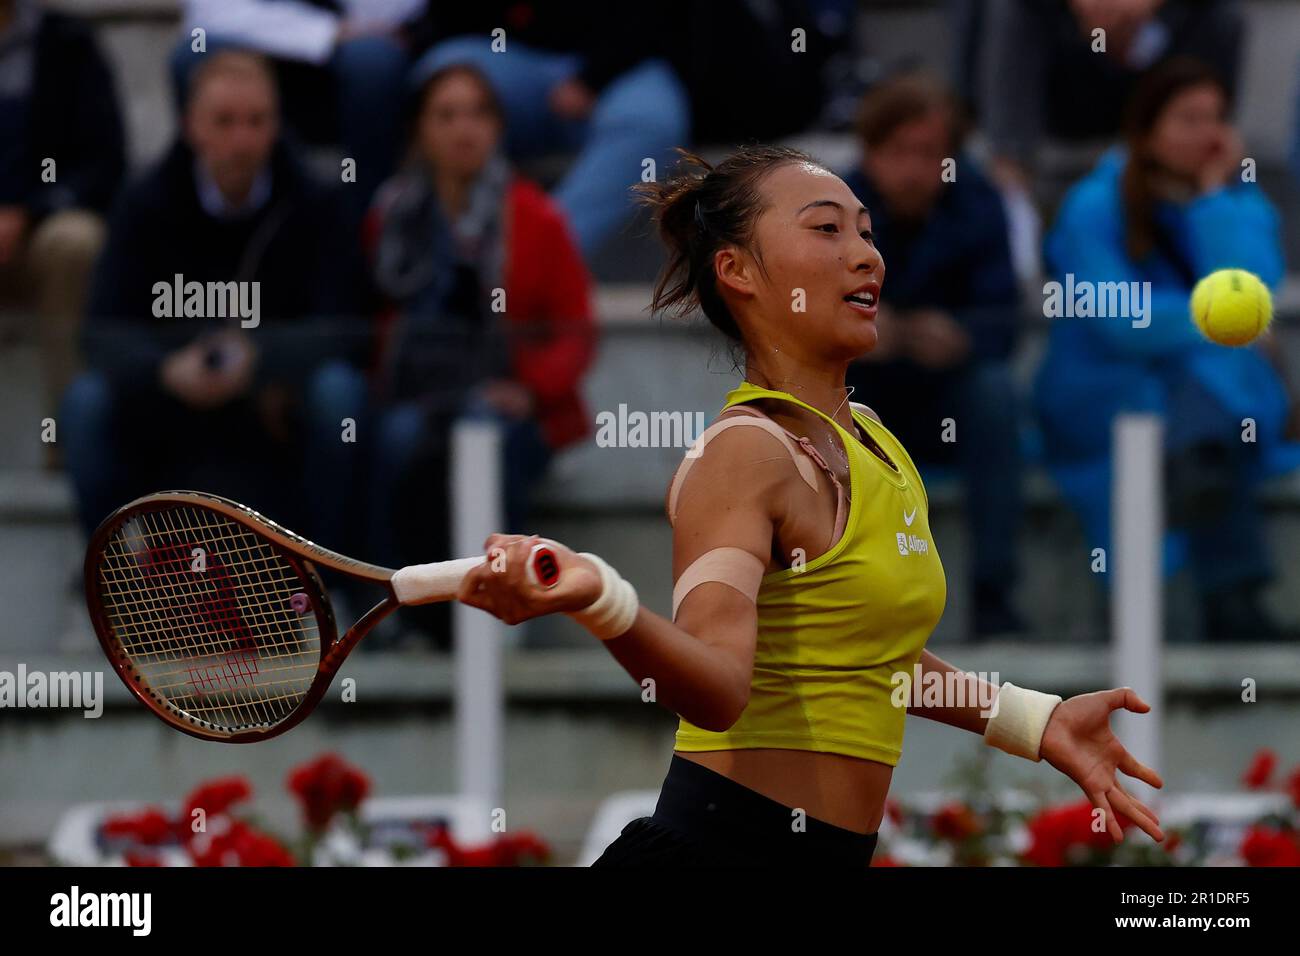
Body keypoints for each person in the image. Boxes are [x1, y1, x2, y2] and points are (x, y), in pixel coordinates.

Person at [451, 145, 1165, 867]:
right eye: (827, 230)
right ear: (738, 271)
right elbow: (717, 687)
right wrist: (602, 598)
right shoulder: (742, 455)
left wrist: (1032, 721)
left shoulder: (879, 444)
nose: (866, 256)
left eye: (865, 230)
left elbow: (865, 657)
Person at [1032, 57, 1300, 642]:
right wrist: (1221, 321)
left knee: (1200, 420)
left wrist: (1211, 200)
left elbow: (1252, 289)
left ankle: (1225, 594)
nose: (1206, 133)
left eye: (1216, 118)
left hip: (1196, 397)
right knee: (1201, 408)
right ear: (1147, 130)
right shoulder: (1093, 207)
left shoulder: (1234, 202)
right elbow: (1122, 324)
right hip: (1100, 392)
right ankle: (1232, 598)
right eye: (1187, 118)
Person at [64, 51, 368, 543]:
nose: (241, 140)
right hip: (170, 399)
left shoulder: (316, 201)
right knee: (86, 403)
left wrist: (262, 358)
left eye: (256, 121)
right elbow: (101, 333)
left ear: (276, 125)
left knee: (340, 396)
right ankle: (107, 576)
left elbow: (347, 328)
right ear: (191, 126)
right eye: (224, 122)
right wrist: (165, 369)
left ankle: (329, 573)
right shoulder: (144, 202)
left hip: (275, 400)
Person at [340, 62, 594, 645]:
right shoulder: (390, 215)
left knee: (484, 427)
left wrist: (530, 390)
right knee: (396, 438)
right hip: (414, 398)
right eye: (447, 114)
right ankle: (393, 612)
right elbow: (371, 326)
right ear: (421, 131)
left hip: (513, 404)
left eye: (478, 113)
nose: (464, 129)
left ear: (499, 128)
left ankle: (505, 613)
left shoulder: (535, 216)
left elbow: (575, 331)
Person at [840, 73, 1026, 640]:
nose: (913, 170)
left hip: (950, 391)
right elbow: (793, 318)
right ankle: (847, 601)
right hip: (862, 390)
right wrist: (868, 331)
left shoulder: (978, 201)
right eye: (898, 153)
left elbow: (1005, 317)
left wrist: (960, 335)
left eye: (928, 154)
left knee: (995, 395)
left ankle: (994, 597)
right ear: (870, 153)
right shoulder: (829, 208)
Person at [408, 1, 689, 259]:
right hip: (514, 59)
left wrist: (593, 77)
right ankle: (443, 248)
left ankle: (534, 258)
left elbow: (659, 13)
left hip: (626, 65)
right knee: (443, 75)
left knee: (651, 120)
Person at [0, 0, 125, 438]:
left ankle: (69, 435)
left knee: (76, 241)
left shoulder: (68, 42)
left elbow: (105, 163)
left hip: (40, 235)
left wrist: (30, 212)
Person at [170, 0, 422, 211]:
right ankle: (206, 211)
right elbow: (207, 16)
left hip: (343, 66)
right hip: (260, 45)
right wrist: (324, 32)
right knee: (195, 54)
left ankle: (363, 226)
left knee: (376, 63)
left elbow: (390, 15)